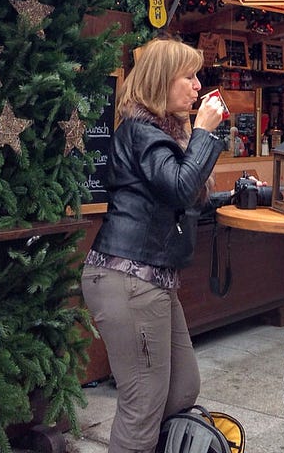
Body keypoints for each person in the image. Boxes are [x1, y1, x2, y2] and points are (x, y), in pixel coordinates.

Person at [80, 36, 226, 453]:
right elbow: (179, 188)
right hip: (130, 279)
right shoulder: (142, 132)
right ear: (162, 81)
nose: (198, 86)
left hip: (152, 279)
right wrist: (203, 134)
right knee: (142, 402)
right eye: (188, 76)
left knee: (182, 388)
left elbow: (171, 196)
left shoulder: (159, 135)